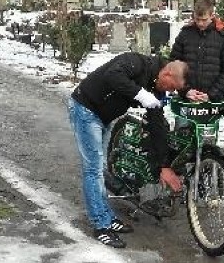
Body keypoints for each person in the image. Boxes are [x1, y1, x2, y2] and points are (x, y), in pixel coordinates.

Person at [68, 52, 188, 248]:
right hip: (86, 109)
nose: (171, 92)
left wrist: (164, 166)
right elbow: (112, 76)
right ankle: (100, 225)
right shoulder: (136, 62)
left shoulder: (156, 89)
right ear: (166, 75)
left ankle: (106, 217)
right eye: (172, 88)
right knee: (93, 170)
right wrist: (140, 94)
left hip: (103, 117)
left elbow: (157, 126)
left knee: (98, 168)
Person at [169, 0, 224, 102]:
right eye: (197, 19)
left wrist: (212, 94)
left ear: (212, 16)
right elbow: (174, 64)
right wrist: (185, 90)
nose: (200, 23)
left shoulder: (222, 37)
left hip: (212, 101)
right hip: (187, 98)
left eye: (204, 20)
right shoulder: (185, 34)